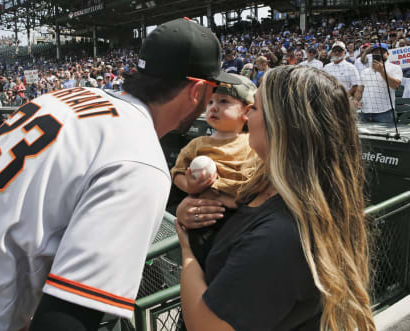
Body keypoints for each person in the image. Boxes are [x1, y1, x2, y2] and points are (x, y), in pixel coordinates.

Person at [0, 18, 240, 331]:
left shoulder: (65, 98)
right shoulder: (140, 159)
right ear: (198, 90)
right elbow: (66, 321)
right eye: (212, 90)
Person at [175, 66, 376, 331]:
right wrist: (188, 211)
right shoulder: (263, 184)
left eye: (255, 108)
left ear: (282, 126)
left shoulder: (282, 234)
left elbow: (206, 325)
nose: (247, 116)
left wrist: (187, 250)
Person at [171, 75, 260, 269]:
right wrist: (190, 186)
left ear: (247, 111)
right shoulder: (198, 144)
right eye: (210, 101)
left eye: (224, 102)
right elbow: (177, 172)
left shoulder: (252, 143)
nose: (213, 107)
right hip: (204, 218)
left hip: (239, 218)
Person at [356, 43, 403, 123]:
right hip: (365, 112)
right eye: (375, 52)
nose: (378, 53)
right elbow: (360, 89)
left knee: (386, 135)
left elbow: (395, 85)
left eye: (381, 51)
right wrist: (355, 100)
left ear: (387, 54)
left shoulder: (395, 68)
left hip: (384, 112)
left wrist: (382, 71)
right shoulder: (365, 71)